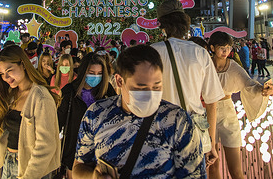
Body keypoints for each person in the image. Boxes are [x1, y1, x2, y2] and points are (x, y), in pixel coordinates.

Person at [73, 45, 206, 179]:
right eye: (140, 88)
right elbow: (79, 167)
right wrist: (93, 176)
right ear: (119, 81)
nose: (150, 95)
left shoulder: (177, 121)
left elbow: (195, 175)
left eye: (156, 86)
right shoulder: (96, 114)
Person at [152, 0, 225, 167]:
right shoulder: (200, 53)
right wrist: (211, 143)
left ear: (162, 25)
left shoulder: (152, 52)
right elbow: (212, 102)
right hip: (194, 134)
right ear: (185, 23)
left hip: (161, 132)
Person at [0, 44, 60, 179]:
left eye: (10, 70)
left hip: (31, 167)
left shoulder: (40, 97)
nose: (6, 77)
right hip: (8, 161)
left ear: (23, 64)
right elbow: (0, 128)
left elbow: (46, 145)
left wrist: (29, 175)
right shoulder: (11, 94)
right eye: (2, 74)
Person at [208, 31, 273, 179]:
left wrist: (264, 89)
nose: (226, 51)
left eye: (228, 48)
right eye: (221, 48)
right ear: (212, 48)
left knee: (236, 170)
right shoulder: (205, 65)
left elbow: (249, 84)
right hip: (207, 116)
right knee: (213, 166)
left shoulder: (234, 67)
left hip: (227, 115)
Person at [58, 53, 116, 178]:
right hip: (74, 152)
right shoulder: (69, 92)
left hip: (103, 154)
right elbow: (58, 122)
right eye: (91, 72)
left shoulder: (107, 91)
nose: (95, 77)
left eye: (99, 73)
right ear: (83, 71)